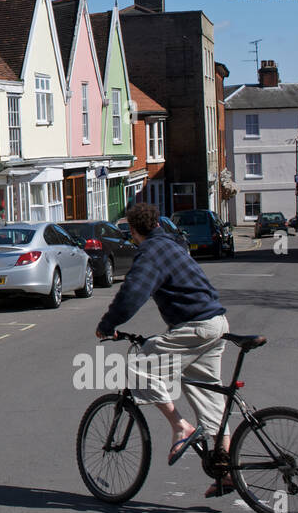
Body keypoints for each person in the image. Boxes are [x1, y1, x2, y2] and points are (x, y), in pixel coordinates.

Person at [95, 202, 234, 497]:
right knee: (209, 397)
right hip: (216, 323)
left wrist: (108, 324)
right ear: (157, 223)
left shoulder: (151, 252)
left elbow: (132, 293)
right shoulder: (172, 245)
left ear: (133, 231)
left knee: (138, 363)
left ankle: (179, 426)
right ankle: (227, 472)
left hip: (195, 327)